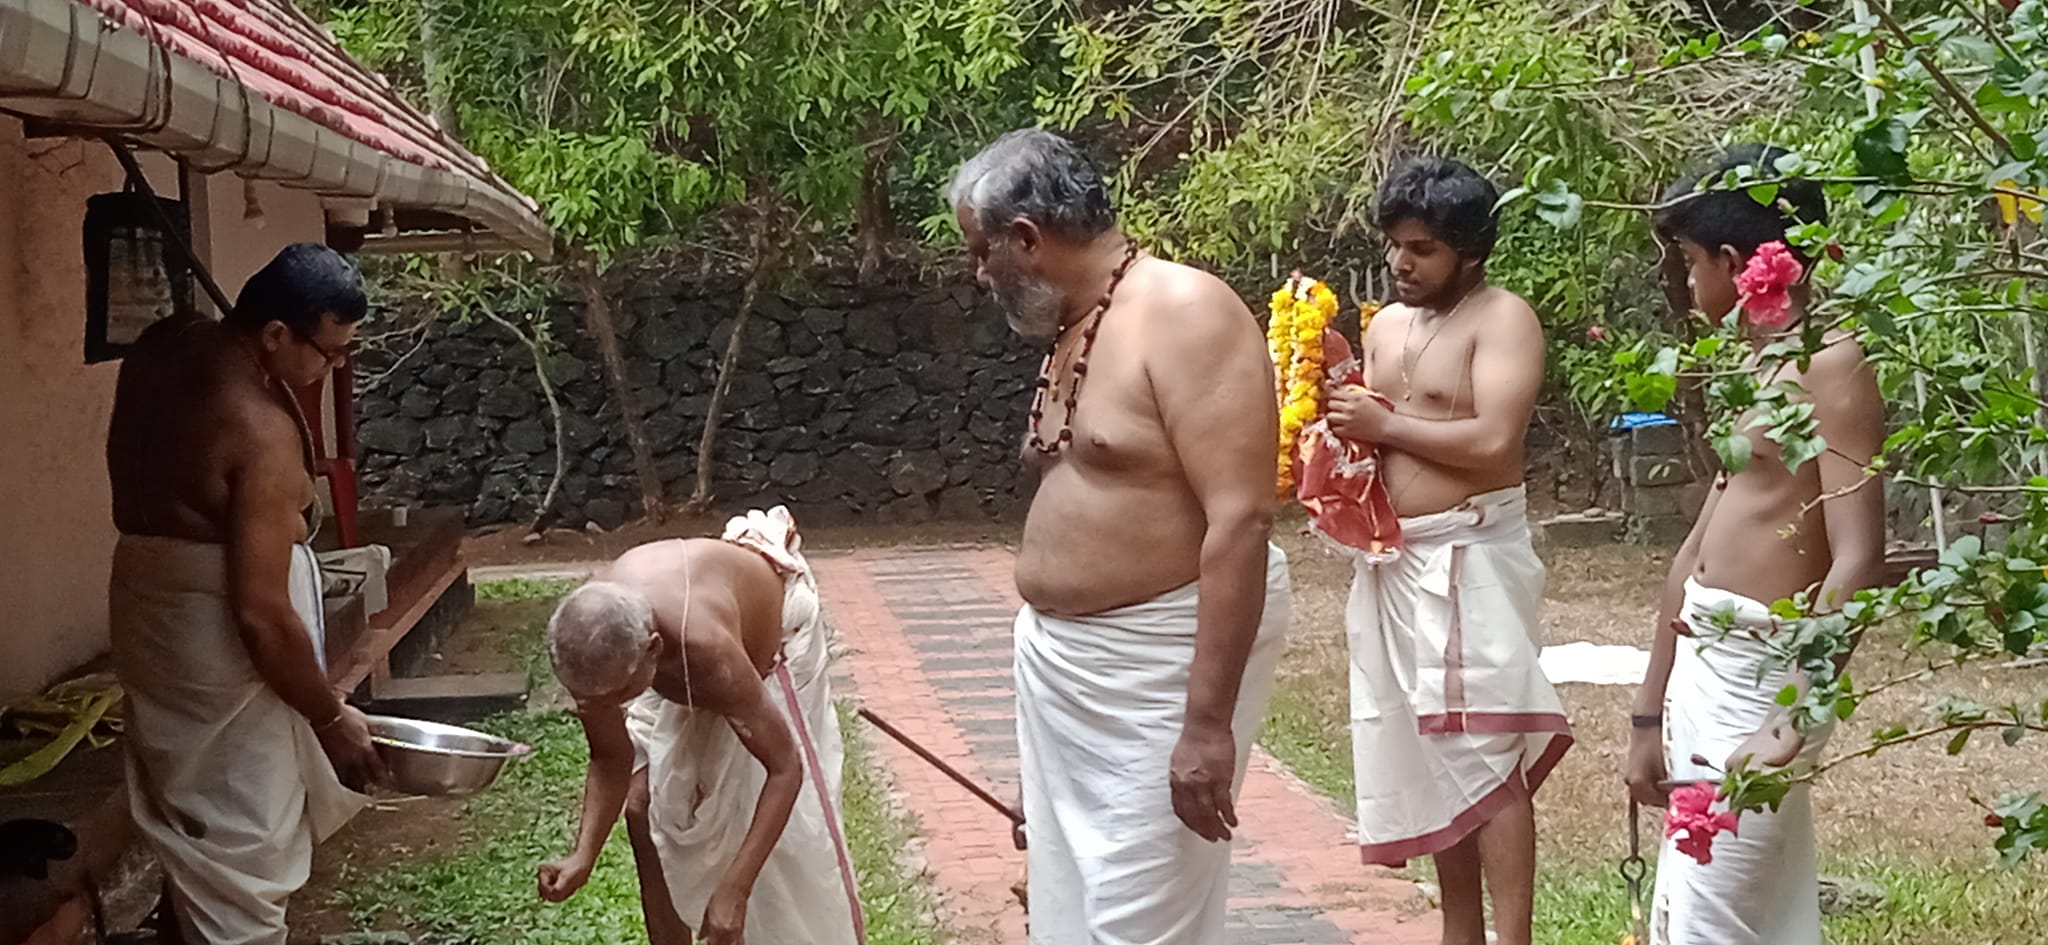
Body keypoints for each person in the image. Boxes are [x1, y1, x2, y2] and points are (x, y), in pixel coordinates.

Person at [949, 128, 1290, 945]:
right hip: (1069, 672)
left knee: (1138, 919)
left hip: (1160, 666)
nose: (977, 274)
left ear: (1026, 239)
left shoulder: (1184, 312)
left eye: (981, 252)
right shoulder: (1079, 323)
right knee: (1071, 908)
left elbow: (1240, 519)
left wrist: (1206, 726)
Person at [1624, 145, 1885, 945]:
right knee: (1696, 916)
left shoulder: (1833, 368)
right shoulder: (1756, 369)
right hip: (1703, 667)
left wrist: (1793, 718)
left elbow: (1858, 555)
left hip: (1761, 678)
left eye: (1691, 263)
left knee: (1718, 920)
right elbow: (1696, 549)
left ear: (1736, 263)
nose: (1687, 283)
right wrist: (1646, 713)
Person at [1322, 156, 1572, 945]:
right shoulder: (1387, 324)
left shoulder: (1504, 319)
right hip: (1397, 558)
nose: (1402, 262)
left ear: (1470, 249)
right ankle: (1459, 931)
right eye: (1396, 245)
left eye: (1423, 248)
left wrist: (1382, 425)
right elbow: (1372, 444)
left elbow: (1496, 441)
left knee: (1485, 747)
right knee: (1433, 753)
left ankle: (1516, 937)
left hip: (1472, 556)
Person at [105, 243, 380, 945]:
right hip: (210, 641)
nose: (335, 368)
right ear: (276, 333)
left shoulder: (162, 349)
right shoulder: (258, 427)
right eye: (328, 352)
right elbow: (260, 614)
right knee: (242, 839)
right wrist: (328, 715)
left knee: (188, 819)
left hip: (144, 607)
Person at [536, 507, 863, 945]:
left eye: (612, 697)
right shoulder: (596, 649)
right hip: (666, 647)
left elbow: (786, 768)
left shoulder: (705, 652)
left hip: (772, 646)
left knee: (769, 845)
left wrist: (735, 889)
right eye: (588, 700)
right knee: (641, 809)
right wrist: (583, 855)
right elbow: (611, 756)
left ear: (654, 652)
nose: (599, 709)